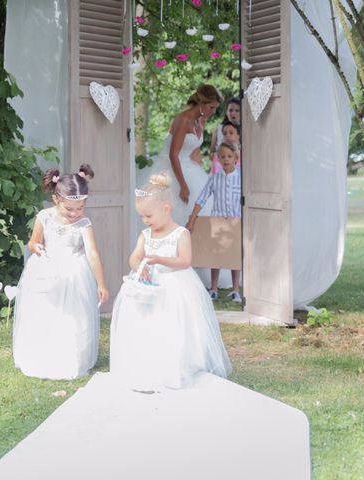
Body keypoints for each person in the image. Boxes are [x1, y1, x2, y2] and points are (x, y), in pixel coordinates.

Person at [110, 173, 232, 392]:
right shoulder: (145, 235)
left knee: (173, 325)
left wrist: (158, 259)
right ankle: (148, 364)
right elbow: (134, 257)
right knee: (147, 325)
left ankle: (176, 365)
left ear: (166, 209)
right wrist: (140, 266)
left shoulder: (180, 234)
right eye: (142, 217)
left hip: (175, 286)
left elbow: (184, 261)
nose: (145, 221)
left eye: (148, 216)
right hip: (149, 287)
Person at [13, 165, 109, 380]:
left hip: (74, 273)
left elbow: (92, 253)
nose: (75, 213)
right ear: (57, 200)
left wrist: (101, 283)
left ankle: (71, 355)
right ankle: (42, 354)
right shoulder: (44, 217)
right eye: (70, 209)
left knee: (73, 315)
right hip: (46, 270)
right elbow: (33, 241)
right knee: (45, 312)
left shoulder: (84, 223)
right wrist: (35, 247)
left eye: (80, 208)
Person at [137, 84, 223, 226]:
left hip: (188, 166)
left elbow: (195, 150)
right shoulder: (184, 119)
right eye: (211, 107)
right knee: (174, 210)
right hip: (169, 166)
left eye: (215, 108)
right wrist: (183, 186)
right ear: (202, 104)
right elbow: (173, 154)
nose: (213, 111)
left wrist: (200, 173)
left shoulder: (201, 120)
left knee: (202, 202)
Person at [186, 142, 242, 302]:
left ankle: (235, 290)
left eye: (229, 156)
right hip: (217, 221)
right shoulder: (215, 179)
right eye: (222, 156)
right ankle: (214, 288)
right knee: (216, 256)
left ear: (236, 158)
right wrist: (192, 219)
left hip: (235, 222)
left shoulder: (241, 178)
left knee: (234, 256)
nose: (226, 159)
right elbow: (202, 198)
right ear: (218, 158)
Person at [209, 97, 241, 174]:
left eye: (237, 111)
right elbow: (211, 153)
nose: (233, 113)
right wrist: (217, 156)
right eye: (230, 110)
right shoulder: (218, 128)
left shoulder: (245, 129)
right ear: (226, 112)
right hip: (220, 166)